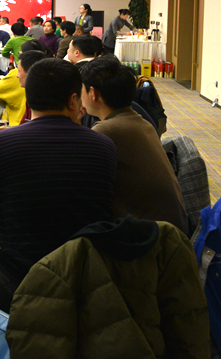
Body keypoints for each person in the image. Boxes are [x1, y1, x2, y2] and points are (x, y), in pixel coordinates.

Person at [0, 59, 117, 320]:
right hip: (87, 280)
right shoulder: (105, 147)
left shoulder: (1, 143)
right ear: (72, 101)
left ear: (28, 99)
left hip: (22, 282)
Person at [79, 56, 186, 229]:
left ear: (93, 93)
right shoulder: (141, 121)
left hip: (150, 236)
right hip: (170, 229)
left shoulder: (107, 130)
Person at [0, 49, 45, 126]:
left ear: (31, 73)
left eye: (19, 71)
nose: (17, 75)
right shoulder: (31, 94)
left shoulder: (39, 100)